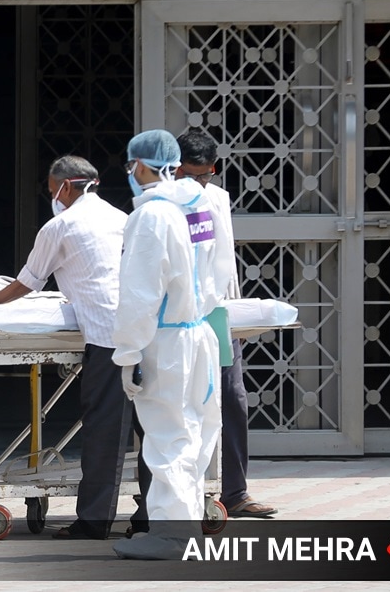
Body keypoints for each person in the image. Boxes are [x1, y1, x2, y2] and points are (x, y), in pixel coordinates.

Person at [0, 155, 131, 540]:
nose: (52, 197)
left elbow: (26, 283)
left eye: (52, 190)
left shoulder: (60, 226)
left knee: (104, 429)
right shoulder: (122, 218)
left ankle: (94, 520)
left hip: (106, 335)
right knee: (150, 428)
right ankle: (151, 516)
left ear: (65, 187)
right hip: (143, 329)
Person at [110, 129, 234, 560]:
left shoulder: (152, 216)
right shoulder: (202, 202)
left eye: (132, 166)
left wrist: (128, 352)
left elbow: (140, 293)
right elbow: (222, 268)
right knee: (196, 432)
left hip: (166, 339)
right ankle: (183, 525)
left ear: (140, 166)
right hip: (200, 330)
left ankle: (171, 534)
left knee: (166, 436)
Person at [176, 129, 277, 519]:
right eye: (188, 175)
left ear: (213, 170)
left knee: (232, 397)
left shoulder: (217, 198)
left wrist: (230, 312)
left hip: (217, 311)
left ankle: (235, 491)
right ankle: (181, 494)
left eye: (203, 175)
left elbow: (223, 262)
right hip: (176, 317)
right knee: (181, 403)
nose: (197, 183)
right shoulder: (161, 204)